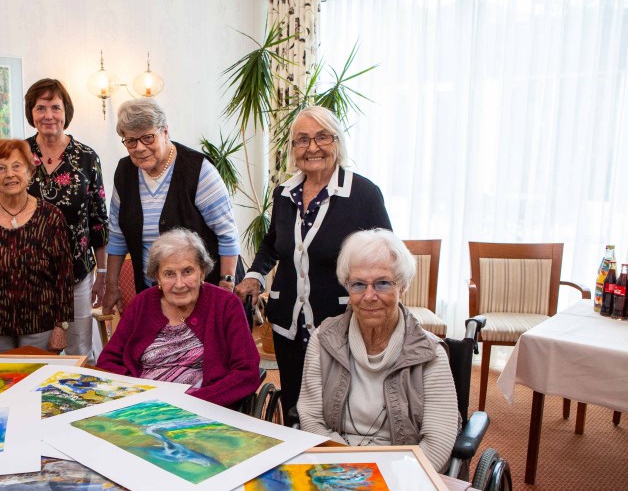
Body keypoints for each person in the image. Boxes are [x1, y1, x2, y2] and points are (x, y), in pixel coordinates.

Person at [235, 106, 392, 412]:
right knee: (295, 400)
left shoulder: (363, 194)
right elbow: (272, 243)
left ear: (338, 142)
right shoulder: (284, 193)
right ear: (293, 149)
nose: (313, 147)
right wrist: (255, 274)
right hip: (288, 324)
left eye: (322, 137)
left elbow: (387, 257)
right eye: (302, 140)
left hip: (341, 323)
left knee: (342, 405)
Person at [296, 229, 459, 471]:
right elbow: (311, 418)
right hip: (336, 463)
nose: (369, 296)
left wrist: (392, 479)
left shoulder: (429, 353)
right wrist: (347, 466)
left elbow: (437, 442)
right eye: (359, 284)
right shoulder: (324, 340)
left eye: (383, 283)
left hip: (404, 471)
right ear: (347, 286)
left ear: (402, 286)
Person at [102, 99, 241, 314]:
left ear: (165, 131)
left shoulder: (198, 170)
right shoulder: (125, 172)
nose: (139, 148)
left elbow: (227, 233)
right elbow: (118, 234)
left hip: (202, 293)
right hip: (153, 295)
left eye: (148, 137)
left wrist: (226, 285)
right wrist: (111, 285)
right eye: (130, 141)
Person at [96, 229, 260, 408]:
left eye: (187, 271)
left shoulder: (225, 305)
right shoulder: (142, 304)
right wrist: (135, 395)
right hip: (142, 408)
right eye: (169, 274)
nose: (180, 284)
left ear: (202, 272)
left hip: (203, 411)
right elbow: (108, 361)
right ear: (157, 276)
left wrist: (196, 402)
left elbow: (247, 372)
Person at [0, 139, 73, 354]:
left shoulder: (51, 216)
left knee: (37, 385)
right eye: (1, 168)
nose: (9, 174)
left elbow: (64, 276)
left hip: (40, 323)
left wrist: (61, 325)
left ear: (30, 172)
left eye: (17, 166)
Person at [24, 78, 109, 360]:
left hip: (77, 272)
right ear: (31, 113)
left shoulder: (86, 157)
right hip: (30, 276)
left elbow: (99, 221)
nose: (49, 115)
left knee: (80, 351)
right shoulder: (20, 154)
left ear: (66, 112)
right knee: (35, 354)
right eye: (41, 108)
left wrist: (103, 274)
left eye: (55, 108)